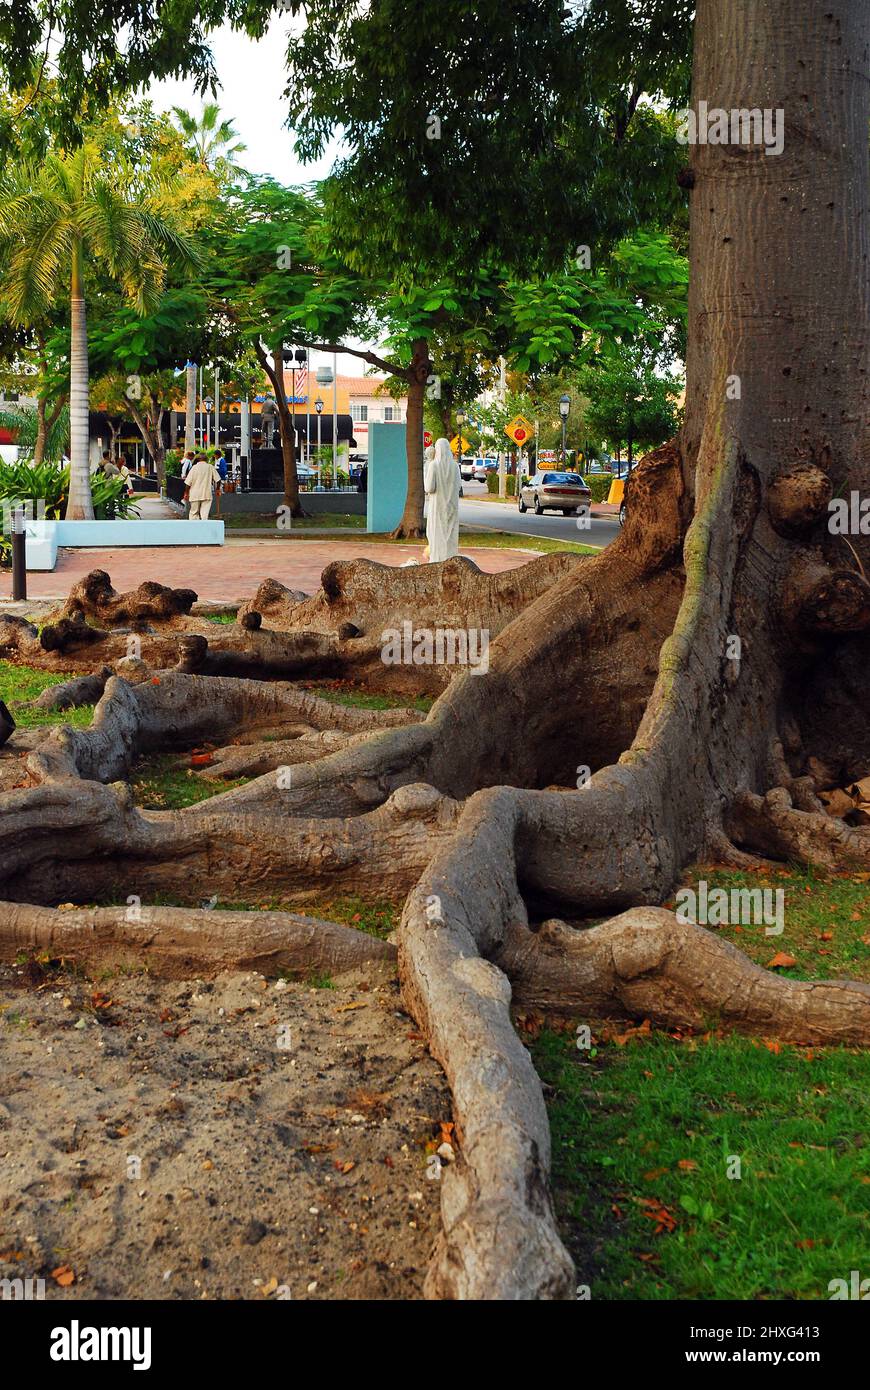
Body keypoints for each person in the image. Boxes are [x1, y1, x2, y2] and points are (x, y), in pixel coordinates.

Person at [424, 438, 460, 562]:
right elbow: (458, 486)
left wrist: (427, 466)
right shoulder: (455, 466)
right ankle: (450, 559)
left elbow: (429, 487)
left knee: (436, 534)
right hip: (451, 506)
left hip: (437, 506)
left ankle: (436, 560)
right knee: (450, 534)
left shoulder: (434, 465)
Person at [184, 453, 220, 520]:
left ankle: (194, 528)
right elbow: (218, 480)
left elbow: (188, 483)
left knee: (194, 513)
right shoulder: (210, 467)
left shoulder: (194, 468)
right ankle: (204, 528)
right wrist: (217, 490)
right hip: (207, 494)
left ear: (198, 459)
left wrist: (186, 493)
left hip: (195, 494)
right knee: (204, 514)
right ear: (206, 459)